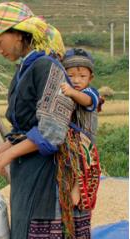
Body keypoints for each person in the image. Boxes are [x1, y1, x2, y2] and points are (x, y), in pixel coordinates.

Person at [0, 2, 94, 239]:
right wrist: (1, 149)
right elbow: (22, 126)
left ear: (19, 34)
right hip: (30, 168)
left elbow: (52, 130)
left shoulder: (47, 67)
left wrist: (8, 155)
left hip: (50, 171)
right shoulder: (24, 69)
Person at [61, 48, 102, 206]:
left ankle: (77, 192)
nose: (76, 80)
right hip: (68, 142)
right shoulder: (65, 91)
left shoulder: (90, 92)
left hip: (85, 141)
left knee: (83, 165)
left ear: (90, 78)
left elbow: (86, 100)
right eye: (70, 76)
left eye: (82, 76)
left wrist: (71, 92)